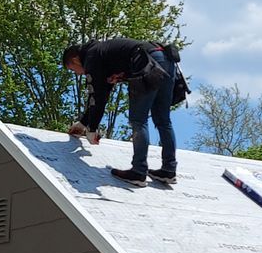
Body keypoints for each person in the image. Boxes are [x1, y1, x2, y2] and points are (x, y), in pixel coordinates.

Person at [63, 38, 178, 184]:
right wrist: (83, 124)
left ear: (75, 59)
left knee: (138, 120)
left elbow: (97, 96)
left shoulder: (91, 58)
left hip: (147, 62)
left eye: (73, 69)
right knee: (163, 120)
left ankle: (138, 171)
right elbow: (102, 92)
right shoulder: (101, 52)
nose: (78, 74)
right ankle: (168, 170)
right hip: (165, 58)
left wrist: (91, 128)